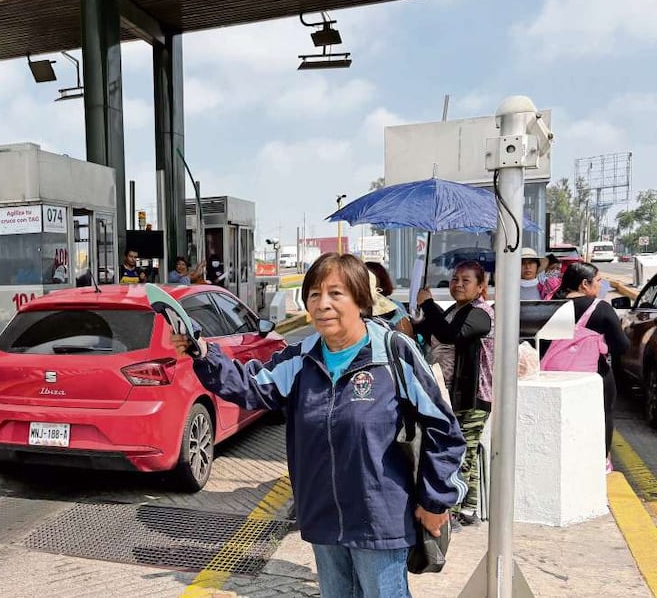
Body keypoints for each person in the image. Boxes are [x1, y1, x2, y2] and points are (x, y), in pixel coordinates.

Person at [172, 253, 465, 597]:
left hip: (379, 518)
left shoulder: (392, 352)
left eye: (335, 294)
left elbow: (443, 430)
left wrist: (434, 502)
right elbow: (252, 386)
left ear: (360, 300)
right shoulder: (300, 357)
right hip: (323, 516)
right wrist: (205, 353)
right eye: (314, 294)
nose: (322, 304)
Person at [415, 261, 494, 529]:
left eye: (466, 280)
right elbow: (434, 332)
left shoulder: (481, 313)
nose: (458, 284)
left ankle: (457, 510)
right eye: (454, 279)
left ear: (481, 287)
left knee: (463, 453)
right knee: (462, 451)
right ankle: (468, 509)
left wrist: (428, 305)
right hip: (450, 394)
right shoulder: (455, 310)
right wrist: (421, 317)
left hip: (472, 397)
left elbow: (451, 335)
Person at [546, 262, 629, 472]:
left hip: (552, 374)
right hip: (594, 374)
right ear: (585, 284)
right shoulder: (600, 308)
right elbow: (621, 346)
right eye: (599, 281)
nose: (601, 286)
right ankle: (600, 460)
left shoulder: (550, 303)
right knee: (604, 413)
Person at [366, 261, 415, 339]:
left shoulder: (394, 306)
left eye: (370, 278)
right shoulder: (356, 306)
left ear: (380, 281)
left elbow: (407, 338)